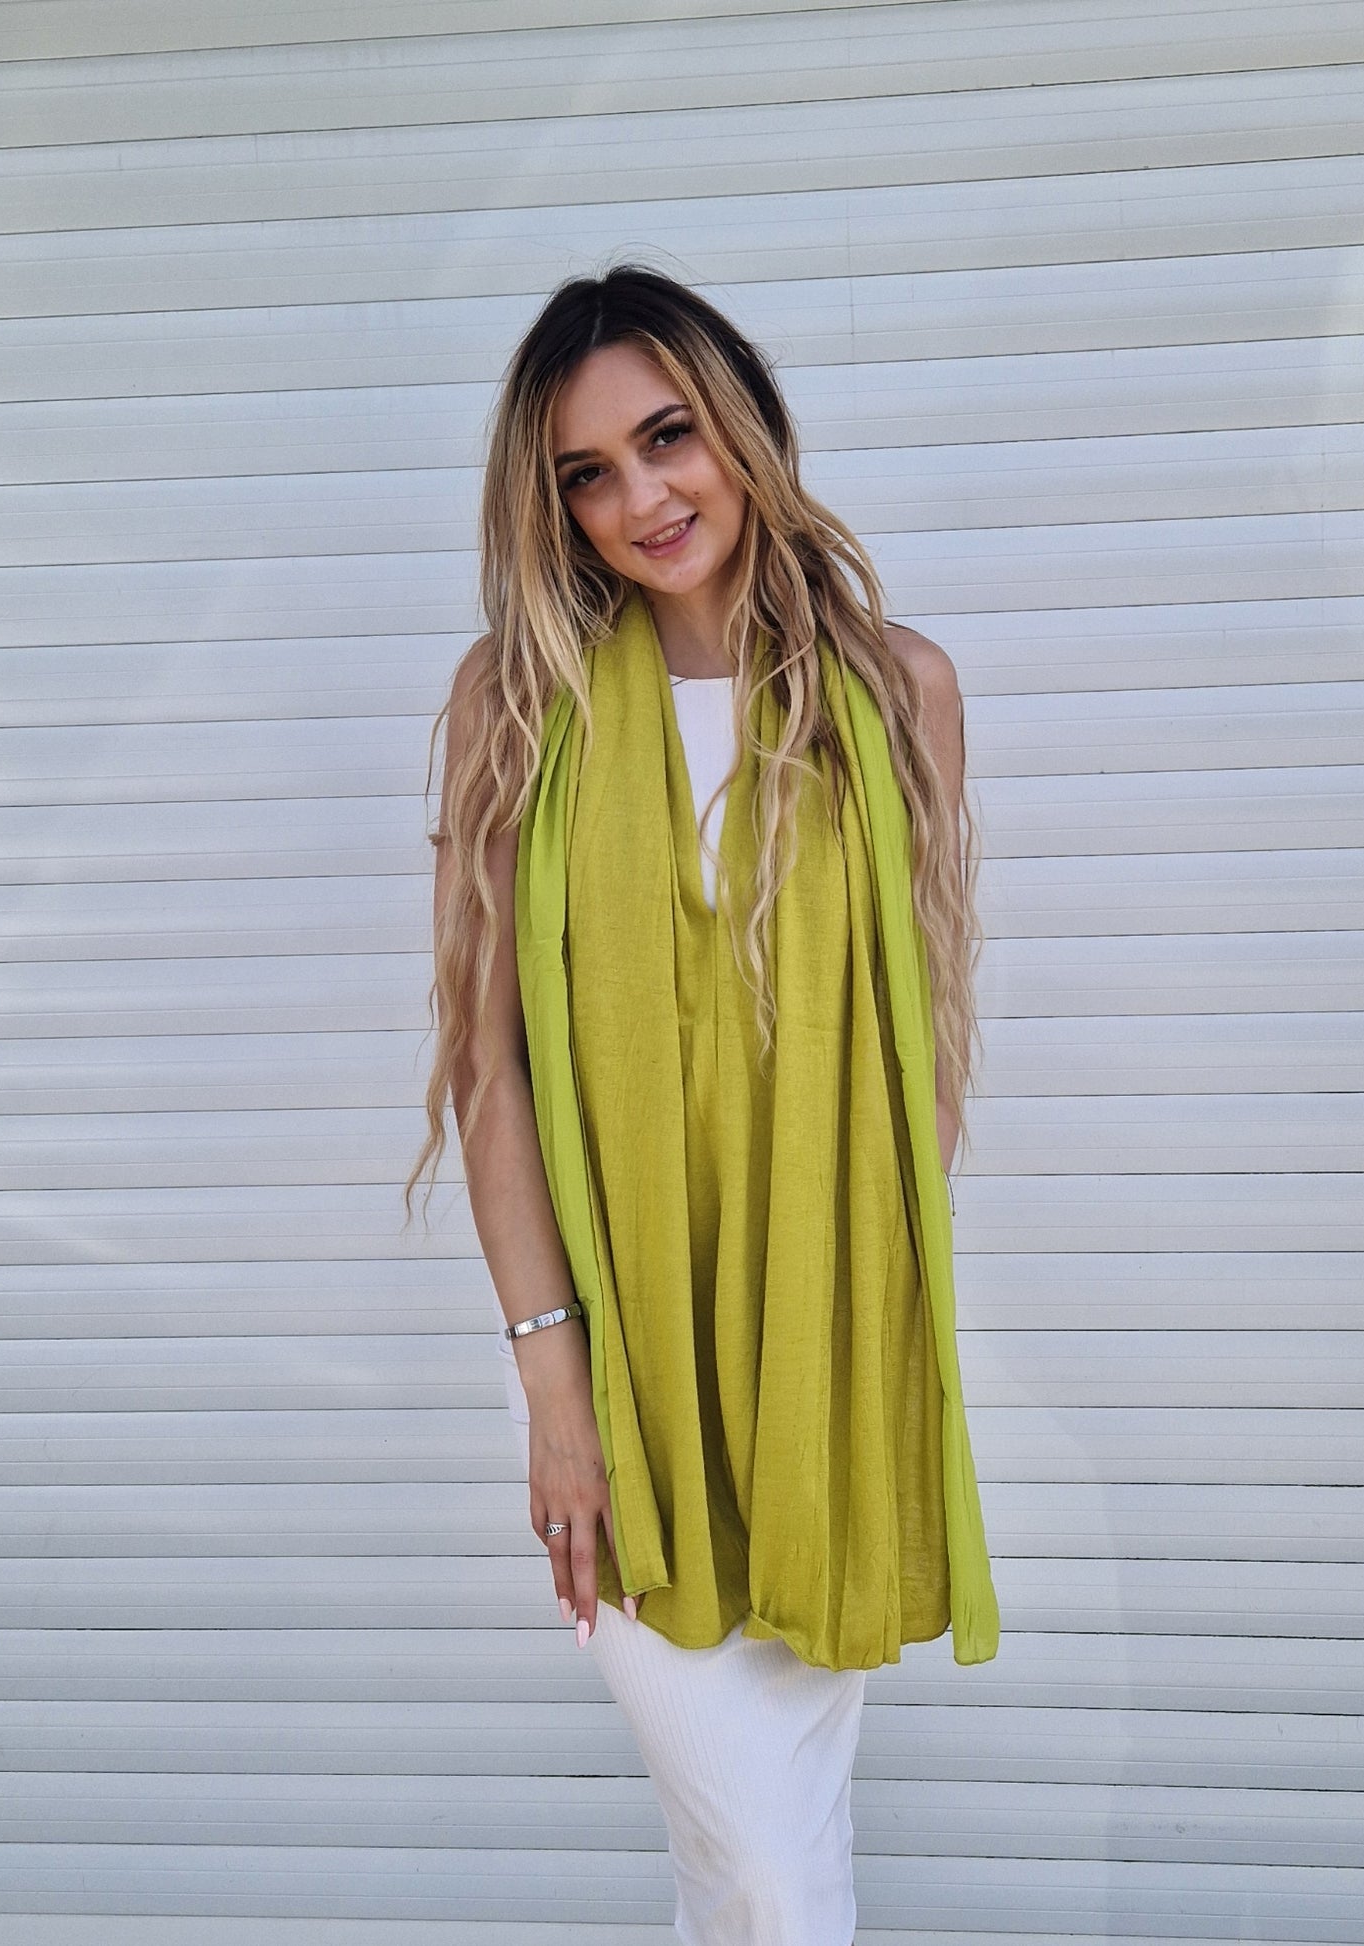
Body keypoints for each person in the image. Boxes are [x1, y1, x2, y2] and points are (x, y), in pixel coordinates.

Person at [407, 263, 1000, 1945]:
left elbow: (914, 1051)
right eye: (585, 473)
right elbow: (487, 1065)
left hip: (817, 1345)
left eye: (667, 437)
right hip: (619, 1356)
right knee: (765, 1859)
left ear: (744, 426)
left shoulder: (900, 688)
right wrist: (553, 1384)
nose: (640, 498)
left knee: (749, 1850)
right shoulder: (512, 702)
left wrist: (860, 1347)